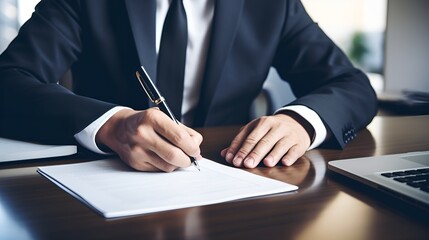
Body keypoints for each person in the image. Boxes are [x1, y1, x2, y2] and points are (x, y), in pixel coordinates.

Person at [0, 0, 377, 172]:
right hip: (102, 186)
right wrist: (111, 124)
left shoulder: (272, 5)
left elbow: (351, 83)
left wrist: (302, 120)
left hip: (231, 182)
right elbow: (8, 80)